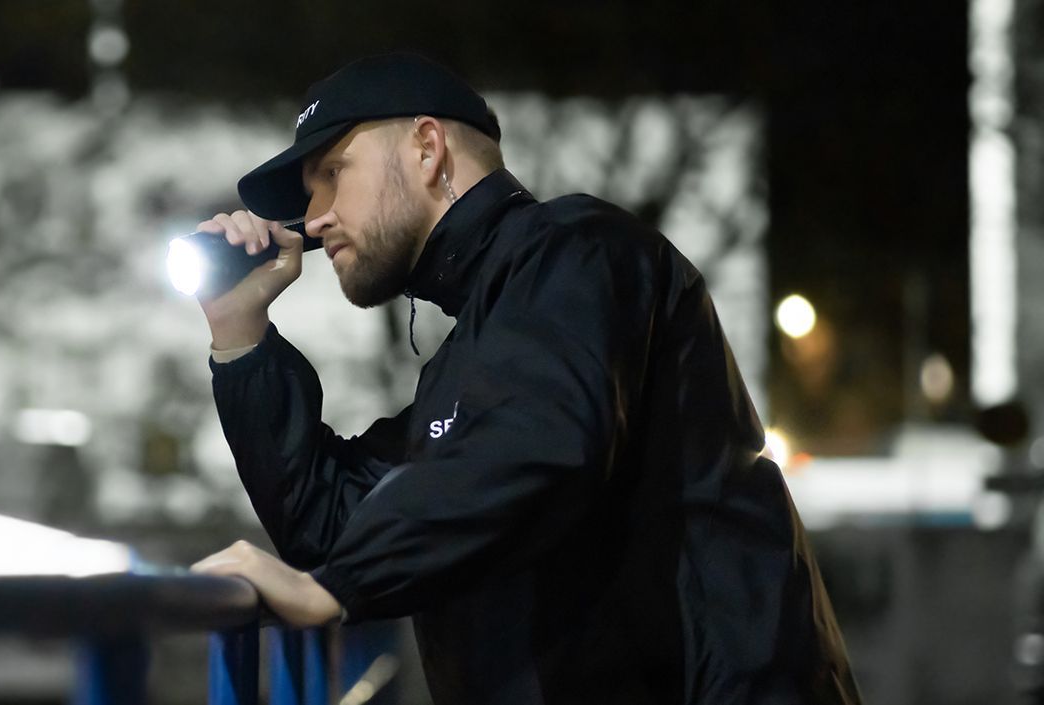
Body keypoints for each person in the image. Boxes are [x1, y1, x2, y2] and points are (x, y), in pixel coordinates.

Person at [185, 52, 862, 703]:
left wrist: (341, 585)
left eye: (334, 171)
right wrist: (240, 335)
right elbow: (335, 525)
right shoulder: (472, 359)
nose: (316, 215)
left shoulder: (579, 252)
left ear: (427, 148)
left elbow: (538, 440)